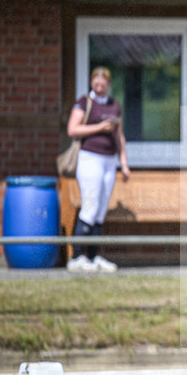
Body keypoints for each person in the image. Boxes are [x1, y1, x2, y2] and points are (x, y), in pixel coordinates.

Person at [66, 67, 130, 273]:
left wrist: (124, 163)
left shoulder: (114, 105)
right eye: (96, 82)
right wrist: (99, 128)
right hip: (89, 158)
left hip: (109, 161)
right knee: (90, 206)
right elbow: (73, 129)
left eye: (103, 83)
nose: (100, 86)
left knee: (101, 210)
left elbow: (120, 136)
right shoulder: (84, 102)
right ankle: (76, 257)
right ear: (92, 83)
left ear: (108, 84)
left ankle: (93, 257)